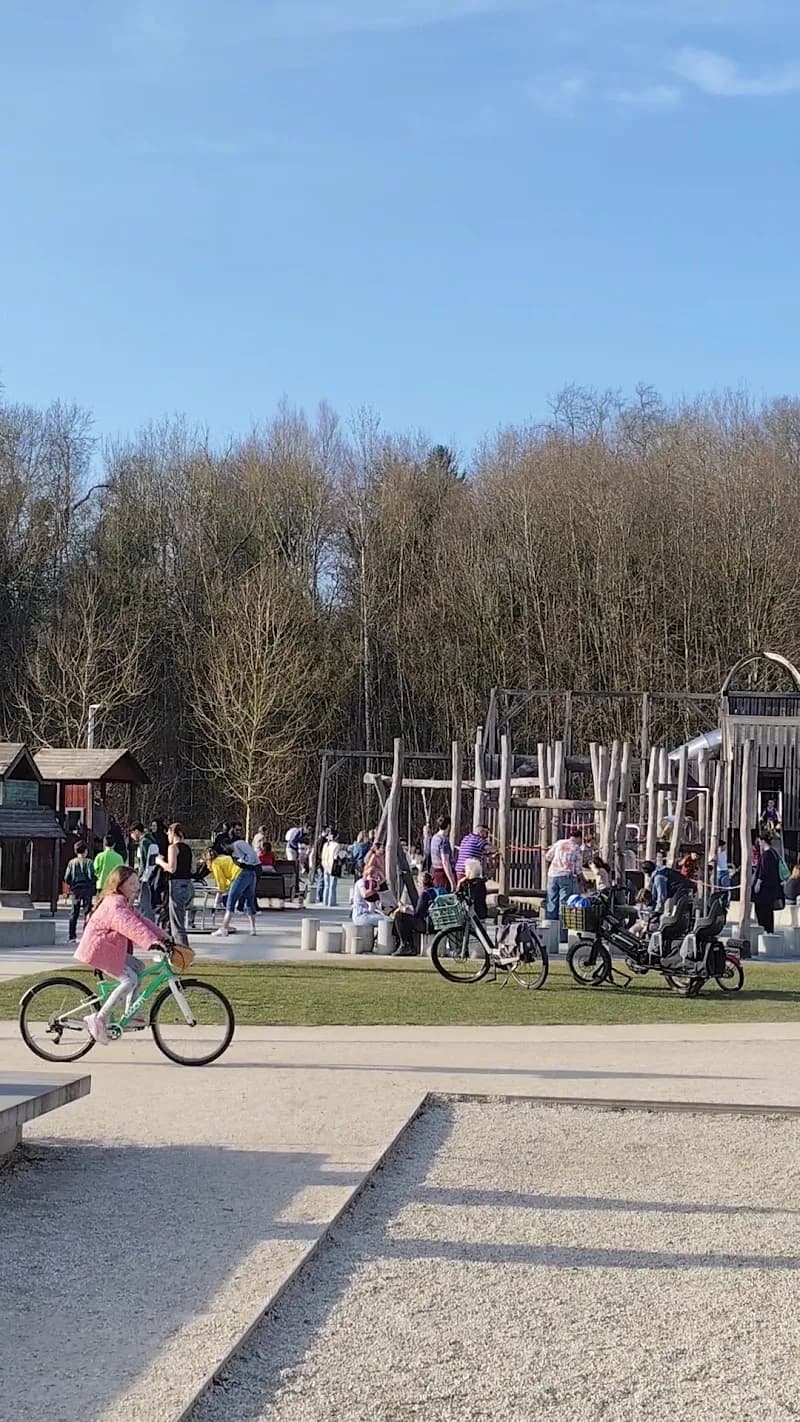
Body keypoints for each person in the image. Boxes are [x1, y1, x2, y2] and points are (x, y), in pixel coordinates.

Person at [73, 865, 167, 1045]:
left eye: (137, 882)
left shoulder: (122, 902)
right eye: (131, 883)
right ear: (120, 884)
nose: (136, 886)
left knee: (139, 967)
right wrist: (151, 942)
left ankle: (130, 1013)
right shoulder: (115, 904)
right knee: (129, 980)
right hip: (99, 949)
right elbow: (131, 926)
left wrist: (164, 937)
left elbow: (141, 920)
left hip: (109, 948)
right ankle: (99, 1019)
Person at [212, 832, 259, 937]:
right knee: (250, 900)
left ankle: (224, 928)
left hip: (244, 872)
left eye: (224, 848)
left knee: (231, 901)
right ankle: (253, 928)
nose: (224, 851)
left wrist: (244, 862)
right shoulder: (233, 854)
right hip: (251, 873)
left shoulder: (238, 844)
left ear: (224, 845)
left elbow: (251, 855)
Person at [156, 822, 194, 948]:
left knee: (177, 923)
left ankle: (184, 952)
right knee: (177, 919)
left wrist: (160, 862)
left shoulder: (172, 848)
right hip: (188, 884)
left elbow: (172, 868)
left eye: (168, 833)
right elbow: (193, 869)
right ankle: (173, 949)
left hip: (176, 884)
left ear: (172, 833)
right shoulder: (188, 848)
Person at [545, 830, 583, 933]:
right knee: (564, 904)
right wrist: (582, 879)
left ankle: (549, 933)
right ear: (579, 838)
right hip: (566, 876)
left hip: (552, 874)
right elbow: (578, 869)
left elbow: (548, 856)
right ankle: (562, 935)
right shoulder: (576, 848)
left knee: (551, 903)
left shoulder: (559, 843)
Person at [64, 840, 95, 942]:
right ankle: (86, 934)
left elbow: (67, 877)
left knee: (74, 912)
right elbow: (91, 876)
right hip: (87, 889)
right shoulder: (89, 862)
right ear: (86, 851)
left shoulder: (71, 862)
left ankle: (72, 936)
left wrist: (71, 884)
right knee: (87, 912)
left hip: (76, 889)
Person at [753, 833, 782, 934]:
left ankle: (765, 928)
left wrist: (758, 882)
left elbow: (764, 870)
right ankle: (769, 930)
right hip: (772, 887)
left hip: (765, 889)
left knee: (762, 910)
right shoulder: (774, 853)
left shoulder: (766, 854)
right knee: (768, 911)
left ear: (762, 841)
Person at [132, 822, 160, 921]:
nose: (132, 836)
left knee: (144, 902)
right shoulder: (152, 840)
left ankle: (146, 922)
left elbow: (144, 862)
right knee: (148, 902)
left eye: (132, 833)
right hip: (152, 874)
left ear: (136, 831)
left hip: (145, 877)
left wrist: (139, 877)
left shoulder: (144, 842)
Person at [457, 857, 488, 922]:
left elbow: (457, 894)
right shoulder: (481, 882)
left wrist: (459, 882)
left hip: (471, 913)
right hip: (482, 911)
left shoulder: (468, 883)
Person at [430, 816, 456, 891]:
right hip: (443, 875)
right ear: (448, 825)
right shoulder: (443, 840)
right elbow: (445, 861)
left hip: (435, 872)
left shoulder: (434, 838)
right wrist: (452, 881)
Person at [321, 833, 346, 907]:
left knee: (326, 885)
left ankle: (325, 901)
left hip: (325, 864)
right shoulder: (336, 845)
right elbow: (336, 856)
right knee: (332, 885)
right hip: (333, 866)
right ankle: (331, 902)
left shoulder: (326, 844)